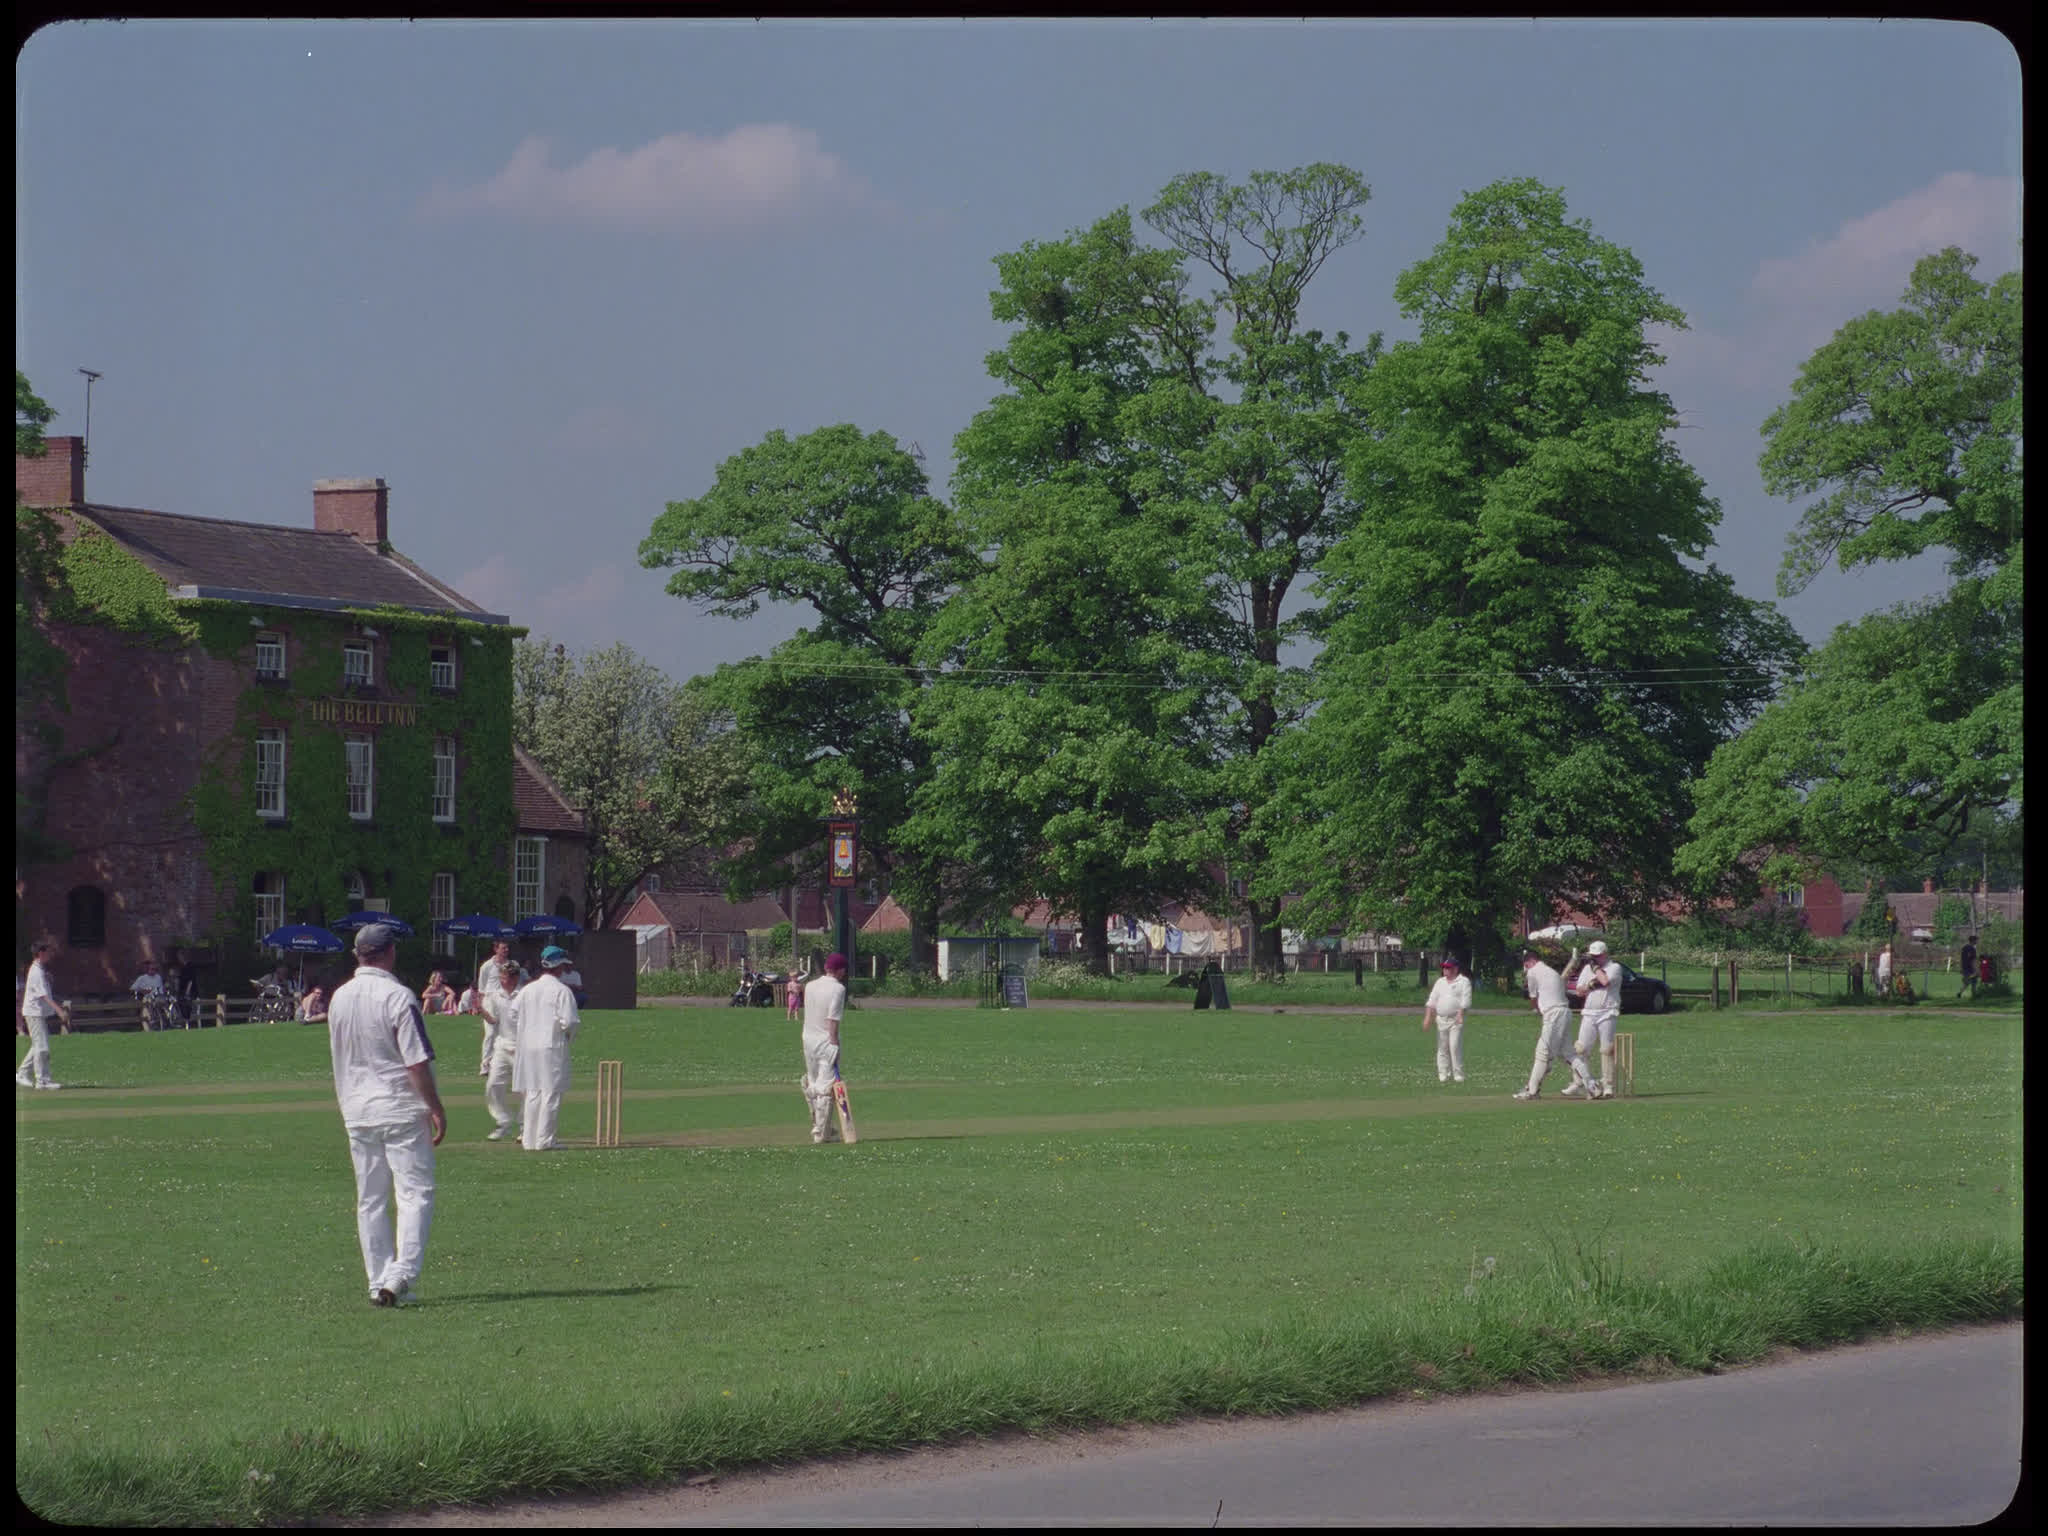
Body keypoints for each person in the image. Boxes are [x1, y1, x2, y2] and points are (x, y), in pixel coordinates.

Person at [327, 923, 446, 1308]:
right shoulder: (398, 996)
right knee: (414, 1192)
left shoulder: (339, 998)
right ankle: (400, 1275)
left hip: (357, 1108)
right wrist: (436, 1107)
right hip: (399, 1105)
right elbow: (415, 1060)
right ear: (390, 953)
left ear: (358, 955)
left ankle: (378, 1278)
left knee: (371, 1197)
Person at [512, 946, 580, 1150]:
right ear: (558, 967)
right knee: (551, 1092)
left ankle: (529, 1140)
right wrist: (565, 1034)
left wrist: (528, 1028)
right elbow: (570, 1022)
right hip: (551, 1046)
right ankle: (545, 1140)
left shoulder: (528, 989)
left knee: (533, 1091)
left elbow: (513, 1013)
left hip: (528, 1047)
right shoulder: (561, 991)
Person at [1514, 947, 1595, 1102]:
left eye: (1526, 964)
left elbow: (1533, 997)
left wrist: (1536, 1009)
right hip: (1565, 1012)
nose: (1525, 969)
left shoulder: (1533, 972)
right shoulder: (1552, 972)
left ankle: (1532, 1091)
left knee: (1542, 1053)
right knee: (1569, 1053)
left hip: (1553, 1014)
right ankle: (1592, 1085)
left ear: (1531, 961)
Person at [799, 952, 850, 1144]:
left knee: (813, 1084)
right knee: (825, 1088)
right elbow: (833, 1020)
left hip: (808, 1039)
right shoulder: (838, 989)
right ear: (841, 970)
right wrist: (834, 1043)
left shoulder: (810, 986)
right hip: (826, 1040)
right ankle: (821, 1134)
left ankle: (822, 1128)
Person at [1567, 942, 1620, 1099]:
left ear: (1605, 953)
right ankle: (1579, 1083)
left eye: (1598, 956)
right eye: (1593, 956)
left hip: (1607, 1011)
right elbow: (1579, 991)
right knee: (1580, 1048)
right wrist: (1591, 984)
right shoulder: (1586, 969)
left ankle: (1607, 1084)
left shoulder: (1614, 967)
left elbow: (1604, 982)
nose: (1595, 959)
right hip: (1589, 1012)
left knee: (1606, 1048)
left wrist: (1594, 972)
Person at [479, 959, 524, 1142]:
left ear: (514, 977)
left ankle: (524, 1127)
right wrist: (480, 1009)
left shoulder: (523, 995)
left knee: (525, 1089)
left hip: (522, 1048)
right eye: (501, 976)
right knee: (493, 1085)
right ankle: (503, 1122)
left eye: (505, 976)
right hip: (502, 1047)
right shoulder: (495, 996)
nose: (501, 979)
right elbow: (493, 1021)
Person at [16, 938, 68, 1090]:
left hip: (37, 1013)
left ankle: (22, 1073)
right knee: (42, 1046)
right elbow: (43, 995)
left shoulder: (40, 969)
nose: (50, 955)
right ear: (40, 953)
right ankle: (42, 1081)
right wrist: (59, 1010)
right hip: (34, 1013)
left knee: (38, 1045)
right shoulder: (36, 971)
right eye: (48, 952)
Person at [1422, 956, 1472, 1084]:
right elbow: (1432, 1001)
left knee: (1454, 1046)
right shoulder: (1440, 982)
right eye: (1444, 968)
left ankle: (1458, 1074)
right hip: (1441, 1020)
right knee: (1442, 1047)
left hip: (1455, 1019)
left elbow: (1465, 1000)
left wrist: (1461, 1014)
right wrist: (1428, 1018)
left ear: (1455, 969)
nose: (1445, 970)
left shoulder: (1463, 981)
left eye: (1448, 968)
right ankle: (1443, 1073)